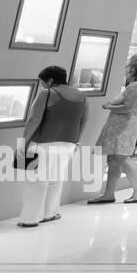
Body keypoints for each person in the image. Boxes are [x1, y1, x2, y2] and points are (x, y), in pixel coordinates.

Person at [17, 66, 88, 227]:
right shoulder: (82, 96)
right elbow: (84, 120)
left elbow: (34, 119)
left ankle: (29, 219)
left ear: (50, 81)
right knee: (56, 181)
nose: (41, 85)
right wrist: (76, 141)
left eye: (42, 82)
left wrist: (23, 142)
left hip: (43, 144)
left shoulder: (47, 93)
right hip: (68, 145)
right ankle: (49, 214)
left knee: (36, 182)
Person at [89, 57, 137, 205]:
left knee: (119, 159)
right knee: (116, 160)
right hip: (123, 127)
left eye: (128, 69)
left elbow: (128, 107)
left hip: (124, 128)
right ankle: (110, 193)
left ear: (133, 71)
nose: (126, 71)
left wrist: (109, 107)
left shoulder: (135, 86)